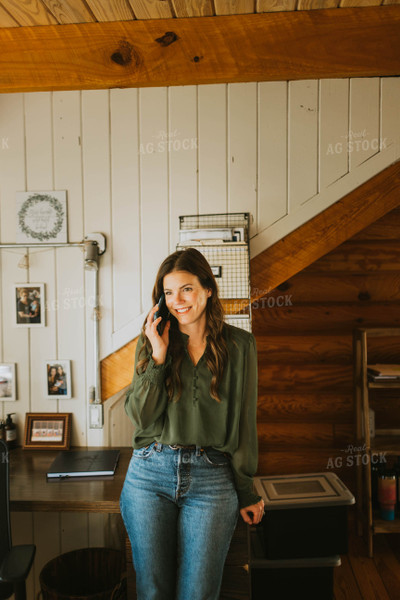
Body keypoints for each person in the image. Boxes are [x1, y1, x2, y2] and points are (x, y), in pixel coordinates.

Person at [120, 247, 264, 600]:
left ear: (208, 289)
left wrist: (245, 489)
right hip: (149, 475)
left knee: (199, 593)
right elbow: (140, 416)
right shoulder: (152, 340)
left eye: (186, 289)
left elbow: (245, 422)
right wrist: (158, 354)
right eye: (168, 292)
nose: (177, 300)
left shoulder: (240, 345)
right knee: (152, 592)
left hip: (212, 478)